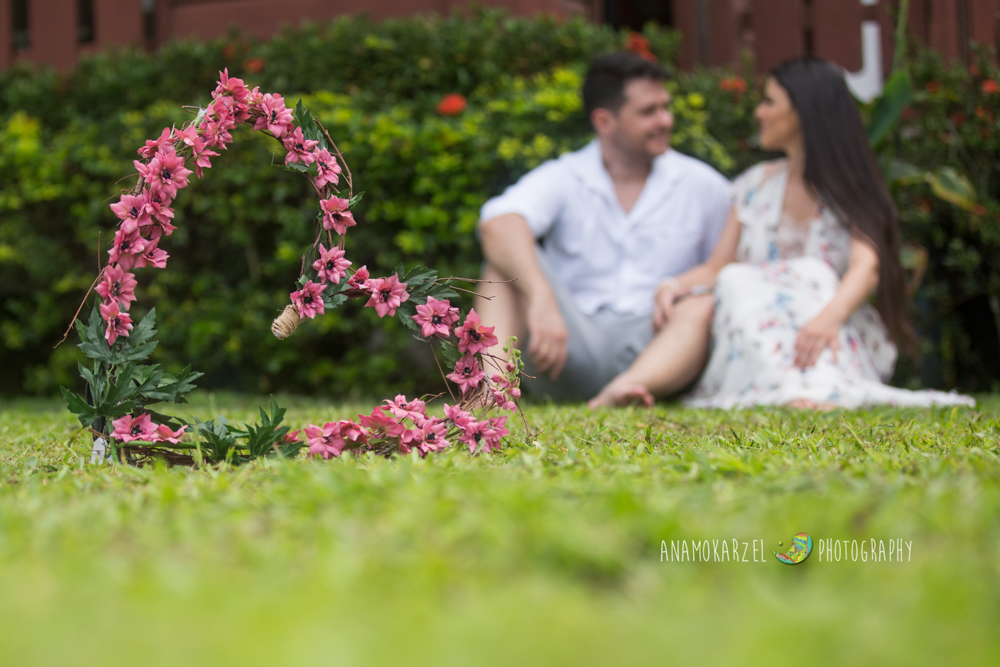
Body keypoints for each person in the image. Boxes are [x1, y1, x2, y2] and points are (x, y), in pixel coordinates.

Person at [604, 56, 973, 409]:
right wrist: (671, 285)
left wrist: (827, 319)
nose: (758, 113)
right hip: (757, 331)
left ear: (804, 111)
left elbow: (866, 266)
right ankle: (623, 389)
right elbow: (717, 267)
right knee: (733, 281)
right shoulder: (752, 186)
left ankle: (807, 386)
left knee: (807, 273)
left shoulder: (851, 189)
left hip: (829, 326)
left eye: (769, 102)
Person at [473, 52, 731, 402]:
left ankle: (624, 391)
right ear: (605, 121)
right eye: (648, 112)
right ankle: (488, 396)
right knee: (503, 268)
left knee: (702, 303)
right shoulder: (566, 176)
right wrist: (541, 297)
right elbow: (498, 224)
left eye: (665, 107)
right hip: (569, 345)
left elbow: (728, 268)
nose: (665, 120)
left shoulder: (704, 185)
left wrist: (679, 286)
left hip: (660, 346)